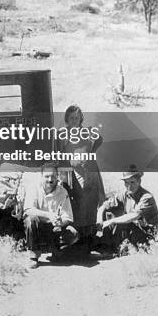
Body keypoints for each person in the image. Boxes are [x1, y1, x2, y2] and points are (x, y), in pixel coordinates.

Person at [59, 105, 105, 251]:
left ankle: (91, 238)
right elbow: (59, 152)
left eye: (77, 118)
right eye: (71, 118)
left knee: (91, 201)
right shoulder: (62, 133)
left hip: (89, 170)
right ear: (67, 119)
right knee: (76, 202)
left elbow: (99, 139)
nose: (74, 120)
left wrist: (91, 152)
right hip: (72, 172)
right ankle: (76, 239)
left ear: (81, 119)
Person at [95, 165, 158, 255]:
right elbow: (103, 206)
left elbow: (134, 216)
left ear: (139, 181)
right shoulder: (125, 194)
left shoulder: (147, 197)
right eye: (126, 183)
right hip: (134, 231)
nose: (129, 186)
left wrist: (111, 221)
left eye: (132, 182)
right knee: (109, 213)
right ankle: (108, 246)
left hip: (148, 235)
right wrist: (99, 221)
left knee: (123, 222)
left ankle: (113, 249)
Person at [23, 164, 79, 267]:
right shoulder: (34, 188)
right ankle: (33, 256)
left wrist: (60, 223)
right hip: (38, 227)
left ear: (57, 176)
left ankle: (55, 250)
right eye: (47, 176)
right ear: (41, 176)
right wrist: (48, 215)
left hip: (53, 229)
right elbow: (28, 210)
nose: (50, 180)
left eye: (53, 176)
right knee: (30, 220)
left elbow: (68, 217)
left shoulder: (62, 191)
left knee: (73, 233)